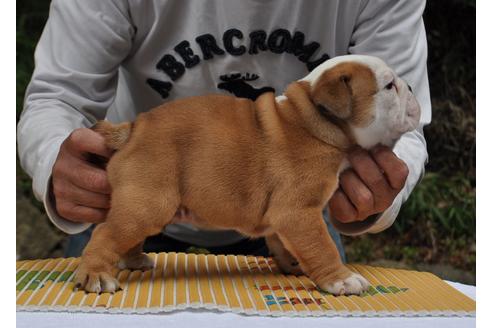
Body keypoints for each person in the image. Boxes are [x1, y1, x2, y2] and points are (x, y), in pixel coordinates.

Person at [17, 0, 431, 260]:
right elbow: (58, 97)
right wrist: (57, 159)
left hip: (289, 215)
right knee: (96, 273)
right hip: (144, 196)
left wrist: (372, 194)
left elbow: (406, 125)